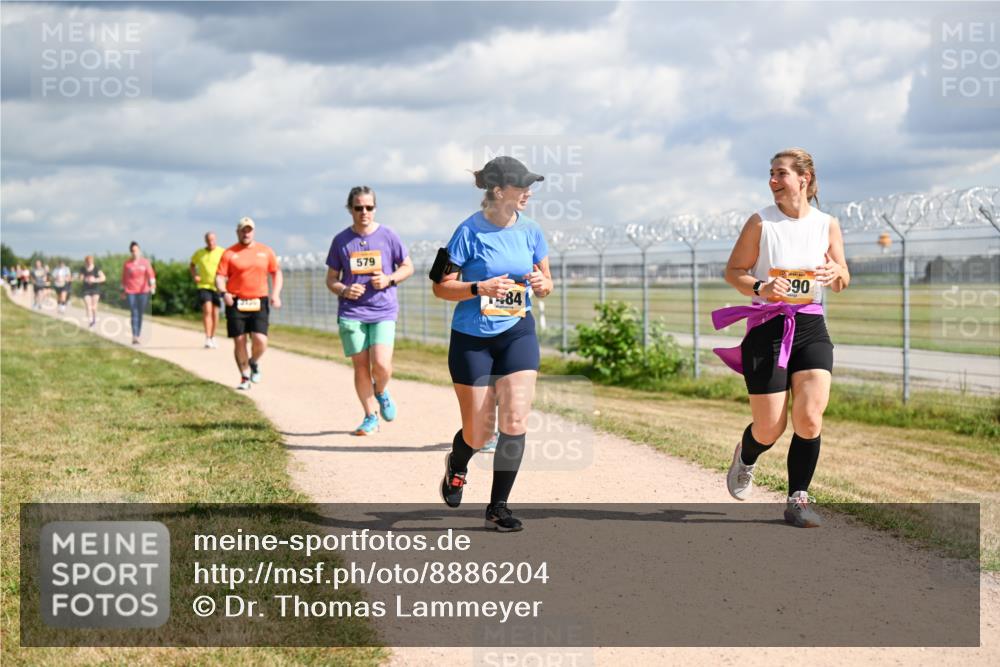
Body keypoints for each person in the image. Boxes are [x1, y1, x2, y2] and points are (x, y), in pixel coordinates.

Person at [712, 147, 850, 528]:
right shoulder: (761, 223)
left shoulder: (827, 224)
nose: (773, 180)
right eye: (771, 174)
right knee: (770, 427)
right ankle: (747, 455)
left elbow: (842, 279)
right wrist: (762, 286)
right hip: (768, 328)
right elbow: (733, 271)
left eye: (781, 173)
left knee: (809, 417)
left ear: (804, 179)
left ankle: (798, 500)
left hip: (811, 327)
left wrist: (835, 273)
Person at [431, 156, 553, 532]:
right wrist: (477, 288)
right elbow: (440, 287)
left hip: (517, 332)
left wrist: (543, 284)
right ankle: (457, 464)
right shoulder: (467, 232)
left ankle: (498, 507)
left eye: (530, 186)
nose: (528, 192)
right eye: (521, 186)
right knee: (479, 432)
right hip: (472, 340)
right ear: (499, 191)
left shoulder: (532, 231)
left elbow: (547, 282)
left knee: (515, 419)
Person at [325, 186, 414, 435]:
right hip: (352, 312)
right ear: (350, 209)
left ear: (375, 208)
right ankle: (370, 416)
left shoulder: (388, 235)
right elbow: (331, 279)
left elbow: (408, 267)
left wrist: (388, 279)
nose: (364, 212)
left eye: (369, 207)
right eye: (358, 208)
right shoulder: (341, 241)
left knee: (382, 364)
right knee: (361, 367)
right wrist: (344, 290)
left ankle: (381, 391)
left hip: (383, 309)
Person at [215, 217, 282, 390]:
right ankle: (245, 377)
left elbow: (276, 273)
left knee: (260, 339)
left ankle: (254, 361)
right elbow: (220, 277)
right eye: (243, 230)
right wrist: (224, 292)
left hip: (258, 300)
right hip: (236, 300)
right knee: (239, 340)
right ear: (237, 232)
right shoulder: (229, 253)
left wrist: (275, 294)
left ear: (253, 232)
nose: (246, 234)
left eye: (249, 230)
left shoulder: (265, 251)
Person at [190, 231, 226, 348]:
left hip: (217, 287)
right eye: (208, 240)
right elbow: (192, 265)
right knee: (207, 310)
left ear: (216, 240)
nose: (211, 242)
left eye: (212, 240)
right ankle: (207, 337)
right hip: (204, 286)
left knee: (215, 313)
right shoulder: (199, 253)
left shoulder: (222, 252)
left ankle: (213, 336)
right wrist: (195, 275)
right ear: (205, 241)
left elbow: (228, 266)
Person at [122, 242, 156, 344]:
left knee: (140, 312)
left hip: (143, 291)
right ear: (131, 252)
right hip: (131, 291)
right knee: (134, 312)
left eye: (136, 250)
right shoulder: (127, 264)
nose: (135, 252)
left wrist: (153, 285)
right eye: (133, 251)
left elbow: (151, 274)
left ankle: (138, 333)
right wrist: (123, 290)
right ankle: (135, 336)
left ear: (139, 251)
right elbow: (124, 278)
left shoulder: (145, 262)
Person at [79, 255, 106, 328]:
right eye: (87, 262)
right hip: (86, 289)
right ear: (85, 262)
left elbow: (103, 278)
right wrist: (86, 279)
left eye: (90, 261)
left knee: (94, 307)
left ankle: (94, 319)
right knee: (88, 306)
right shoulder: (83, 269)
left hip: (95, 289)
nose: (89, 263)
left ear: (92, 261)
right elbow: (81, 278)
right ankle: (90, 321)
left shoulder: (96, 269)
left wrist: (95, 280)